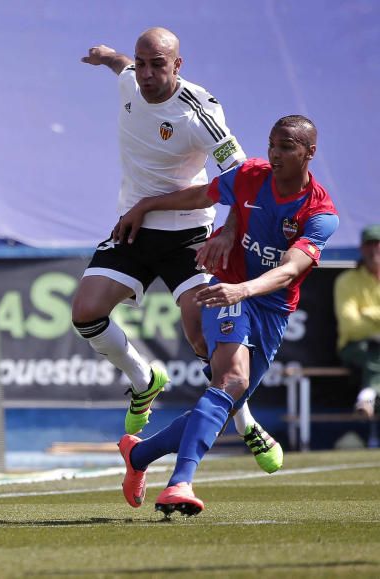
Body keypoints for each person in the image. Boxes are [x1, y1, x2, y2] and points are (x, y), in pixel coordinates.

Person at [77, 27, 281, 473]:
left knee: (202, 335)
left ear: (178, 65)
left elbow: (245, 178)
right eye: (141, 62)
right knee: (85, 312)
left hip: (190, 233)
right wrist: (108, 55)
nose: (147, 74)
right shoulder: (131, 77)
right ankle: (144, 381)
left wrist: (228, 231)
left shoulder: (199, 111)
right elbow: (121, 66)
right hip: (134, 224)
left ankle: (246, 421)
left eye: (158, 65)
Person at [114, 115, 338, 515]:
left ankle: (140, 455)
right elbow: (202, 196)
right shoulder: (252, 174)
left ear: (309, 153)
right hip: (226, 290)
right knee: (232, 379)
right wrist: (148, 204)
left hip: (270, 305)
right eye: (272, 144)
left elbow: (290, 269)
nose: (275, 153)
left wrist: (246, 288)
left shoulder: (319, 213)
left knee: (226, 400)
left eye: (286, 146)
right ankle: (180, 483)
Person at [334, 225, 380, 418]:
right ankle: (369, 394)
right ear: (361, 248)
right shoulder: (347, 280)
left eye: (378, 244)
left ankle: (368, 395)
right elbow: (350, 326)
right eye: (369, 244)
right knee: (373, 353)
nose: (374, 249)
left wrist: (368, 313)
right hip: (354, 347)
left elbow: (358, 320)